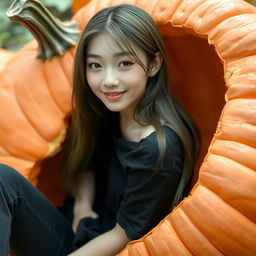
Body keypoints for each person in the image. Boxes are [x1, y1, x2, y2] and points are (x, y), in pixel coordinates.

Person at [0, 4, 200, 256]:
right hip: (81, 227)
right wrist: (83, 205)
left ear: (153, 64)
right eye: (96, 65)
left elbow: (123, 235)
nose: (108, 80)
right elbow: (89, 160)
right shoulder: (110, 110)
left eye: (124, 63)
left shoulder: (159, 149)